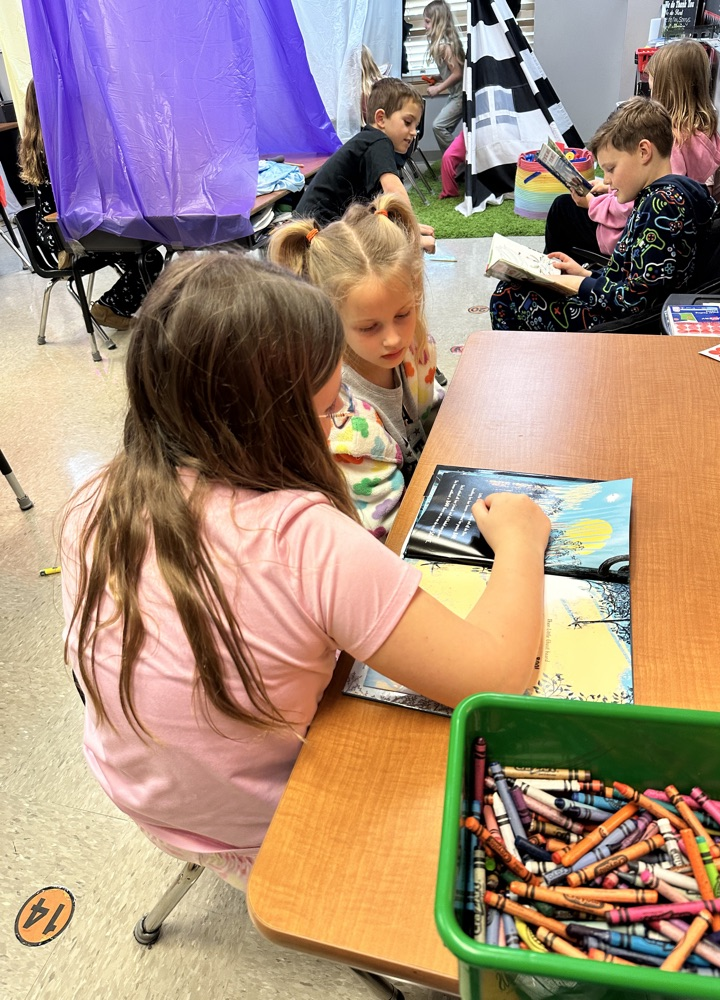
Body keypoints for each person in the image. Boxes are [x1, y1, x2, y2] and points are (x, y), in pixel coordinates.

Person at [60, 252, 550, 890]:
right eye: (325, 413)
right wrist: (519, 542)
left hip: (137, 794)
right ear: (269, 425)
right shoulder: (305, 537)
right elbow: (497, 677)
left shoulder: (95, 496)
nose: (339, 425)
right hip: (269, 825)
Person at [270, 193, 443, 538]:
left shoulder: (415, 348)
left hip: (425, 485)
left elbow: (436, 409)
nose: (393, 339)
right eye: (369, 327)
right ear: (330, 320)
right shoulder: (344, 421)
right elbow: (387, 535)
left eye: (403, 314)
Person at [490, 97, 715, 333]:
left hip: (623, 325)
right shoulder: (667, 195)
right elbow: (634, 278)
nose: (606, 180)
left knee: (507, 297)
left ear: (644, 151)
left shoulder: (662, 205)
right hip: (618, 309)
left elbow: (635, 301)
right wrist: (585, 273)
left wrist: (579, 284)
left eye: (611, 169)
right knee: (517, 287)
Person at [544, 39, 720, 265]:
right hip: (679, 239)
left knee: (562, 210)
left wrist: (592, 203)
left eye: (651, 77)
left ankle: (548, 276)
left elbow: (642, 206)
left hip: (634, 241)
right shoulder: (707, 135)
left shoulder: (672, 143)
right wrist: (608, 188)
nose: (648, 83)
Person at [17, 81, 163, 331]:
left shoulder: (42, 139)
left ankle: (130, 308)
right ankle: (108, 308)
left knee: (144, 253)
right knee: (147, 257)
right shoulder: (51, 147)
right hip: (65, 233)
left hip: (67, 227)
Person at [295, 77, 435, 252]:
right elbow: (395, 192)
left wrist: (405, 228)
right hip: (316, 239)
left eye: (416, 125)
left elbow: (380, 210)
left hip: (314, 235)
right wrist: (411, 234)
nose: (414, 132)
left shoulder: (369, 144)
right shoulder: (378, 140)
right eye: (408, 122)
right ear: (381, 118)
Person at [423, 0, 465, 153]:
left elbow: (458, 73)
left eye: (427, 22)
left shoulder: (444, 46)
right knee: (442, 127)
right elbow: (452, 70)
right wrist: (437, 77)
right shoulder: (442, 44)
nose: (424, 26)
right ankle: (456, 159)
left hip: (461, 95)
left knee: (438, 126)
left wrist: (438, 89)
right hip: (456, 94)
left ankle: (459, 159)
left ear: (438, 22)